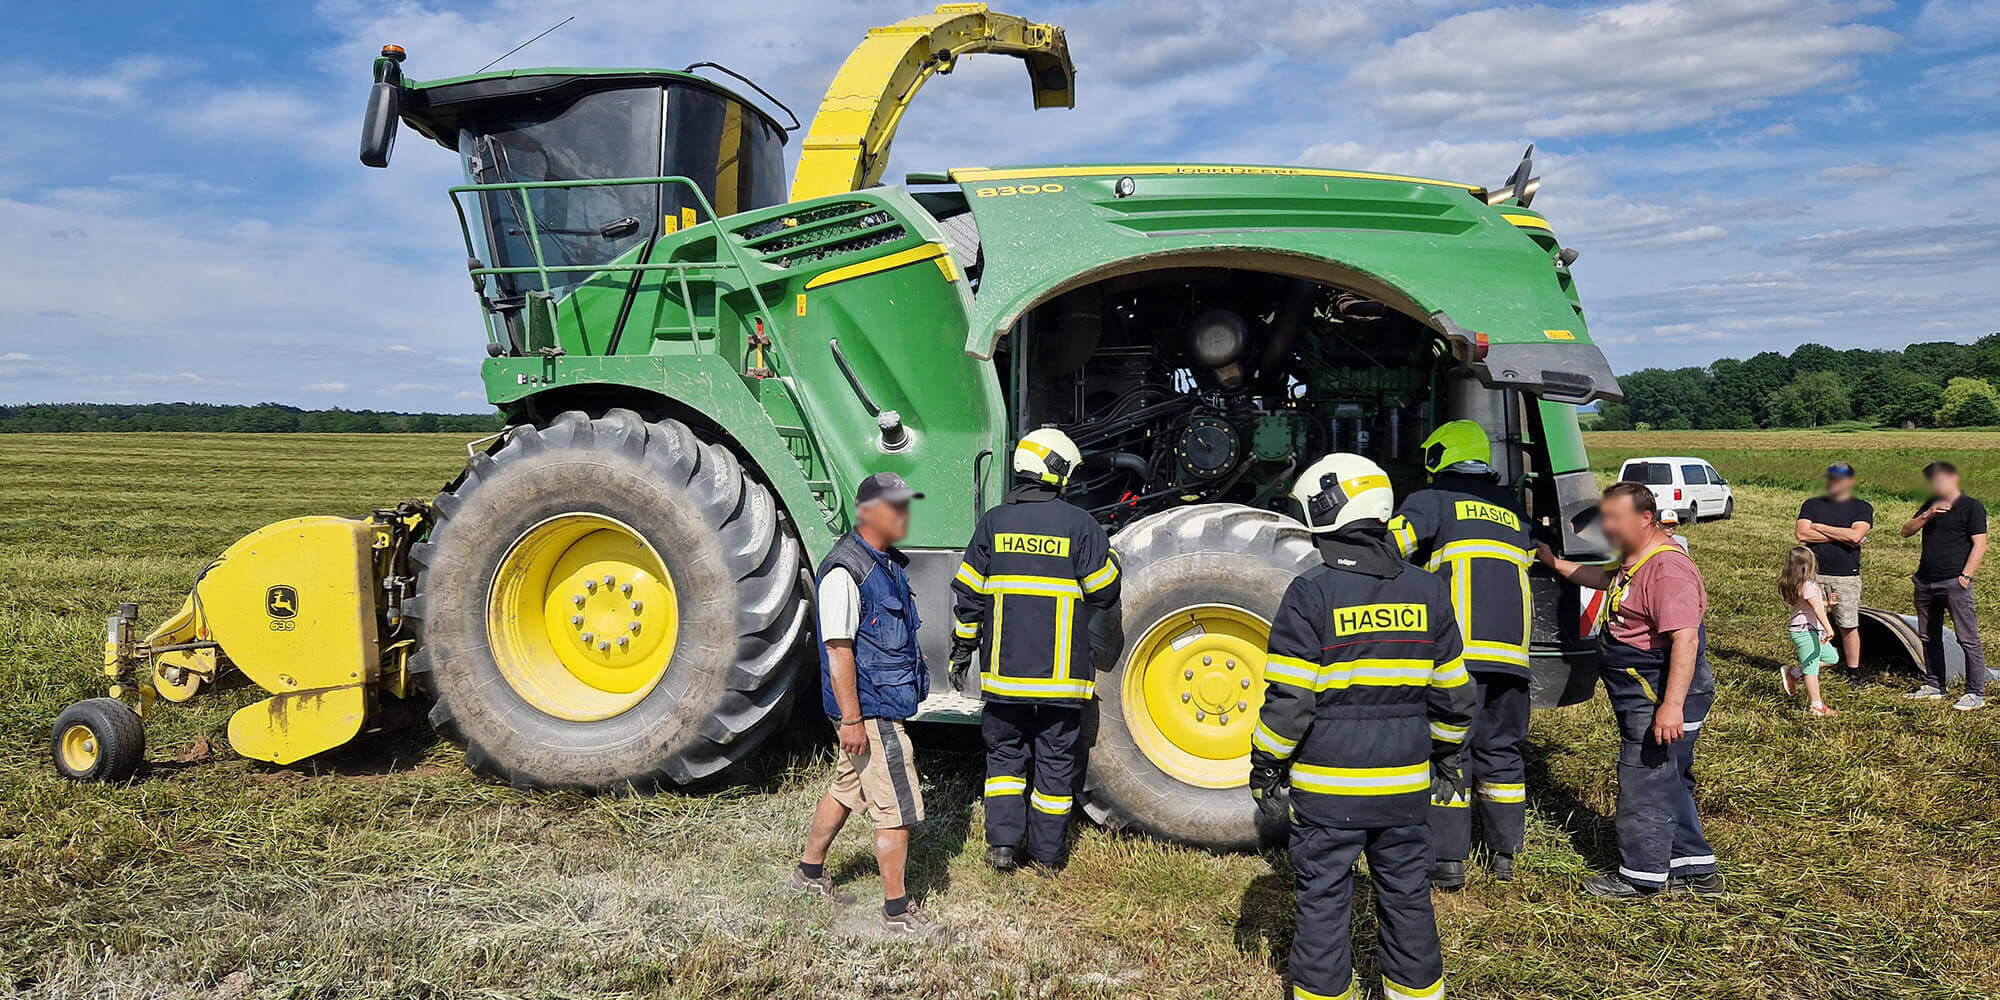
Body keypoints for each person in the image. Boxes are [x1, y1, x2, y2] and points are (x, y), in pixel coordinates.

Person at [1251, 453, 1476, 1000]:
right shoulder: (1428, 591)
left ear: (1327, 510)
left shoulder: (1311, 593)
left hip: (1329, 790)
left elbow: (1290, 700)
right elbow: (1453, 696)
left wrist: (1267, 762)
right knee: (1406, 895)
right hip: (1403, 787)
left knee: (1324, 899)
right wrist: (1444, 755)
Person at [948, 428, 1122, 873]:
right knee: (1055, 761)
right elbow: (1103, 592)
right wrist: (1112, 561)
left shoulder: (994, 523)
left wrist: (962, 649)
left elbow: (968, 594)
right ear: (1058, 471)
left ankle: (1003, 847)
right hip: (1061, 678)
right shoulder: (1079, 525)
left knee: (1005, 758)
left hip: (1005, 677)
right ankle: (1048, 855)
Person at [1536, 482, 1722, 898]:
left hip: (1661, 691)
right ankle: (1696, 869)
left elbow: (1686, 641)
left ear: (1646, 518)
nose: (1607, 527)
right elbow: (1603, 579)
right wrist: (1555, 563)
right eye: (1605, 518)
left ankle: (1642, 876)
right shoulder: (1634, 559)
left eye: (1615, 519)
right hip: (1646, 690)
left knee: (1645, 780)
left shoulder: (1667, 569)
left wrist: (1670, 707)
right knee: (1669, 779)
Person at [790, 472, 945, 937]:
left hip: (877, 705)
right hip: (870, 711)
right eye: (896, 506)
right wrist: (853, 720)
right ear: (868, 512)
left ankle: (808, 873)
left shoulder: (886, 562)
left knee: (846, 789)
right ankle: (896, 912)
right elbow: (839, 653)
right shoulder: (845, 572)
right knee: (896, 806)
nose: (905, 515)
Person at [1386, 419, 1534, 890]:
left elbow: (1392, 549)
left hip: (1459, 655)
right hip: (1513, 657)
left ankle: (1447, 861)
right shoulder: (1512, 510)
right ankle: (1506, 855)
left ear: (1437, 457)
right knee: (1502, 751)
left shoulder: (1431, 501)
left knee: (1449, 750)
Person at [1899, 460, 1987, 710]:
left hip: (1954, 582)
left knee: (1967, 638)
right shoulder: (1930, 505)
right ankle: (1934, 685)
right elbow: (1905, 531)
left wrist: (1966, 577)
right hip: (1925, 580)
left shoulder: (1971, 507)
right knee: (1929, 636)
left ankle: (1974, 692)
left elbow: (1980, 544)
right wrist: (1927, 515)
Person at [1796, 462, 1872, 673]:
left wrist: (1819, 527)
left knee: (1847, 624)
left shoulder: (1861, 507)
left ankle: (1853, 671)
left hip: (1845, 576)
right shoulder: (1812, 504)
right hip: (1812, 575)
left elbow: (1856, 535)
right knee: (1812, 623)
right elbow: (1802, 534)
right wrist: (1843, 536)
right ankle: (1816, 663)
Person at [1779, 546, 1840, 717]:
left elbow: (1812, 606)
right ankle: (1816, 706)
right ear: (1809, 565)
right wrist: (1829, 629)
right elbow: (1817, 610)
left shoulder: (1799, 584)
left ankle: (1795, 673)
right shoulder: (1808, 586)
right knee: (1812, 670)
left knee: (1831, 658)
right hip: (1806, 632)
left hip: (1810, 631)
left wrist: (1828, 603)